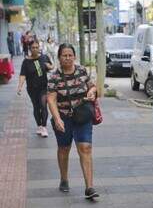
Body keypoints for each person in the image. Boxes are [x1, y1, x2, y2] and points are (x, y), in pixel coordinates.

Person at [47, 43, 99, 199]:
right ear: (59, 58)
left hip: (82, 116)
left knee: (86, 148)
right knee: (64, 149)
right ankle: (64, 178)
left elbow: (93, 87)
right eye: (64, 55)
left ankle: (89, 187)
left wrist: (91, 92)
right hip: (63, 118)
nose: (68, 58)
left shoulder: (82, 71)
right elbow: (51, 100)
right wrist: (57, 119)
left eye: (70, 55)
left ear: (74, 56)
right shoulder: (54, 77)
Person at [17, 39, 54, 137]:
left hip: (43, 87)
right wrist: (20, 87)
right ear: (29, 48)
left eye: (37, 47)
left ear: (39, 48)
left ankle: (44, 127)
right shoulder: (26, 61)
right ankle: (39, 126)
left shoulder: (44, 57)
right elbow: (22, 75)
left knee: (43, 105)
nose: (35, 49)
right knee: (36, 107)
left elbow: (51, 66)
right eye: (33, 47)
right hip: (32, 89)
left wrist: (49, 67)